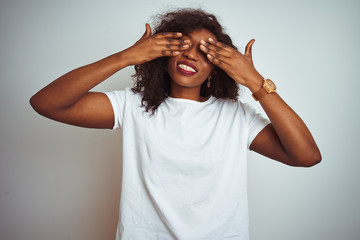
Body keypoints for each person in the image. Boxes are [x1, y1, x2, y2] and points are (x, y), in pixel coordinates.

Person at [30, 8, 321, 240]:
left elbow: (307, 156)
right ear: (164, 55)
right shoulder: (132, 105)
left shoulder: (235, 116)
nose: (191, 54)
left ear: (214, 70)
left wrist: (255, 82)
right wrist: (125, 57)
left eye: (205, 52)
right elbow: (47, 103)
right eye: (182, 45)